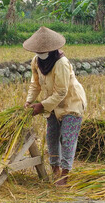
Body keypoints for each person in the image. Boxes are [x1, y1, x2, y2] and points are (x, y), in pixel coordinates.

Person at [23, 27, 87, 185]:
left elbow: (62, 92)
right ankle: (55, 170)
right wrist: (29, 101)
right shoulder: (36, 61)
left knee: (67, 138)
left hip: (71, 103)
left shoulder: (61, 63)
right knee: (51, 137)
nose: (41, 53)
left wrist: (41, 106)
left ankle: (65, 173)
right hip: (52, 105)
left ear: (52, 49)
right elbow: (35, 84)